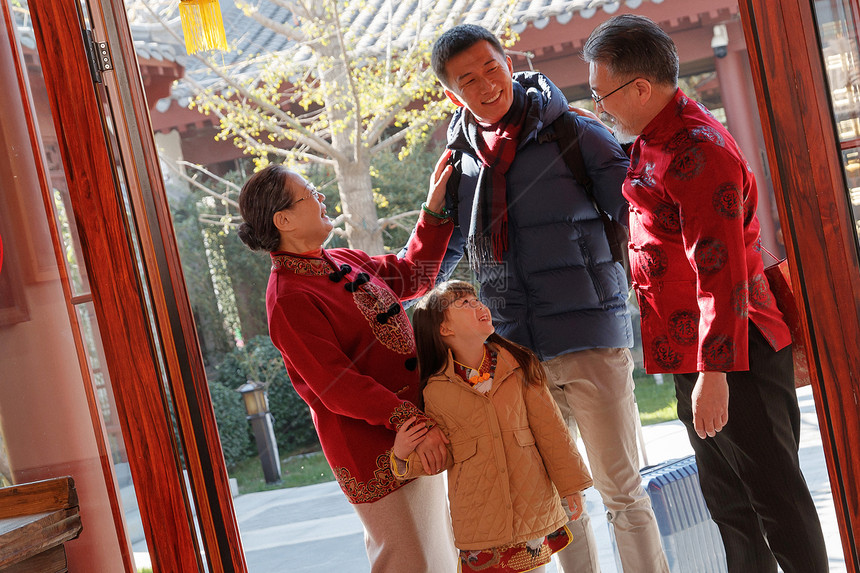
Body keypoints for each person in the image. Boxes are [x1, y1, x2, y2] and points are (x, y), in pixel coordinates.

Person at [583, 14, 828, 572]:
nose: (601, 109)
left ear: (640, 88)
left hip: (734, 350)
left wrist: (713, 373)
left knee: (775, 501)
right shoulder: (654, 138)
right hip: (694, 352)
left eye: (602, 97)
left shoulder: (699, 150)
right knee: (729, 506)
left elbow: (720, 273)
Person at [425, 23, 669, 572]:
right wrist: (429, 225)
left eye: (492, 66)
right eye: (470, 78)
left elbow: (639, 217)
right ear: (451, 93)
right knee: (560, 501)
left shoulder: (574, 133)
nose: (488, 83)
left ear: (507, 61)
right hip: (518, 353)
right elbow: (446, 253)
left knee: (621, 490)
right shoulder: (462, 163)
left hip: (590, 336)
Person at [236, 155, 459, 572]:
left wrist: (433, 210)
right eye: (310, 195)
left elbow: (412, 275)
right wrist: (412, 421)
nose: (321, 199)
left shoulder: (341, 260)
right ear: (283, 220)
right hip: (376, 447)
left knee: (440, 559)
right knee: (408, 563)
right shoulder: (287, 297)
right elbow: (338, 385)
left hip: (414, 429)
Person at [391, 280, 593, 573]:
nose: (477, 304)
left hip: (531, 509)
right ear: (444, 329)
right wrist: (401, 456)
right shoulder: (435, 391)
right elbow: (441, 455)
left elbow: (552, 432)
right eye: (464, 303)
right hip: (479, 520)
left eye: (475, 299)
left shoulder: (520, 367)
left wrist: (571, 487)